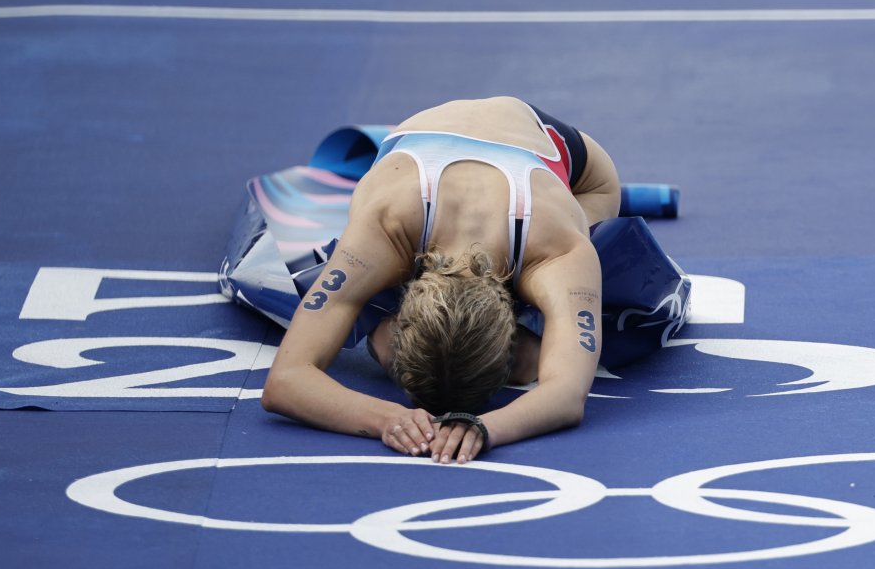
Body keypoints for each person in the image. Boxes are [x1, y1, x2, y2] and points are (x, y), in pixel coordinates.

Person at [261, 96, 620, 465]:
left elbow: (567, 395)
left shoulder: (558, 249)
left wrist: (484, 427)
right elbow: (284, 383)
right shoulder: (384, 229)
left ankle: (462, 346)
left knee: (527, 355)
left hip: (579, 172)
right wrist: (387, 418)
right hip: (432, 161)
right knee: (397, 347)